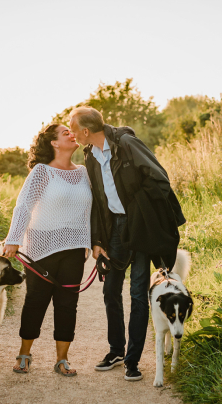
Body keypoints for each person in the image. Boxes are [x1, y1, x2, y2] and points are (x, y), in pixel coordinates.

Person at [69, 107, 186, 382]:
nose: (72, 134)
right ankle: (116, 351)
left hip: (140, 225)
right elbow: (98, 201)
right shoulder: (90, 155)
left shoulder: (127, 143)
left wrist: (140, 209)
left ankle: (133, 360)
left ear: (86, 131)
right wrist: (97, 240)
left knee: (137, 293)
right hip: (114, 230)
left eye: (72, 128)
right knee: (110, 290)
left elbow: (160, 179)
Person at [2, 123, 92, 377]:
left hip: (75, 247)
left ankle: (62, 360)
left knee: (68, 304)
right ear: (53, 143)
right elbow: (24, 206)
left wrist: (93, 242)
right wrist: (13, 239)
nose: (72, 134)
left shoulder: (84, 172)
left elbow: (92, 211)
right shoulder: (42, 172)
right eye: (66, 133)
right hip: (41, 246)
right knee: (36, 301)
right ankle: (24, 354)